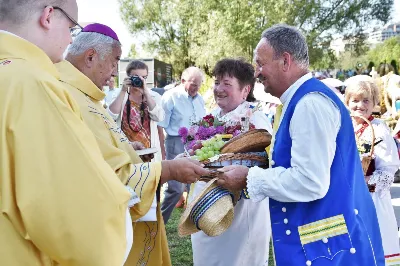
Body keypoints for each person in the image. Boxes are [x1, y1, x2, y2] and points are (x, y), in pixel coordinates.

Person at [216, 24, 385, 266]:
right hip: (325, 245)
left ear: (285, 61)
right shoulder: (299, 100)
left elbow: (310, 181)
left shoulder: (309, 104)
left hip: (330, 250)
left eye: (260, 64)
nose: (257, 72)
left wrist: (249, 178)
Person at [57, 23, 210, 266]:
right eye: (114, 61)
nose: (114, 72)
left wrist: (127, 148)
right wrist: (169, 170)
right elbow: (102, 173)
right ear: (90, 57)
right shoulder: (65, 95)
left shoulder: (85, 93)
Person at [0, 2, 137, 265]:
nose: (69, 41)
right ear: (48, 16)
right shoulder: (33, 84)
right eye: (72, 28)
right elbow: (77, 224)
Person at [189, 58, 272, 266]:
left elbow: (264, 160)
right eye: (217, 82)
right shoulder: (211, 117)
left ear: (245, 90)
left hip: (240, 207)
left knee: (238, 258)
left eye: (227, 84)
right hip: (208, 201)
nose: (219, 89)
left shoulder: (256, 119)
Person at [345, 80, 400, 264]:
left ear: (374, 102)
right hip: (345, 197)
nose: (359, 105)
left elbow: (388, 169)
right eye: (355, 100)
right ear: (347, 102)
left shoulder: (378, 129)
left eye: (366, 101)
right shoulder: (343, 127)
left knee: (373, 244)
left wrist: (367, 181)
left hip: (371, 199)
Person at [159, 66, 207, 223]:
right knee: (175, 189)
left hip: (194, 143)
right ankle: (158, 224)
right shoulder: (170, 96)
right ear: (182, 81)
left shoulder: (200, 99)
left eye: (199, 85)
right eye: (193, 84)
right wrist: (163, 152)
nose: (196, 88)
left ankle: (193, 222)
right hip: (175, 142)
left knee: (194, 183)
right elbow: (160, 124)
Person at [109, 60, 166, 162]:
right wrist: (123, 91)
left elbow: (159, 117)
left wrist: (146, 93)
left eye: (143, 78)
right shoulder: (119, 94)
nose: (139, 81)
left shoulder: (153, 96)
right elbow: (111, 116)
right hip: (126, 151)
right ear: (128, 77)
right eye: (135, 77)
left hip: (148, 153)